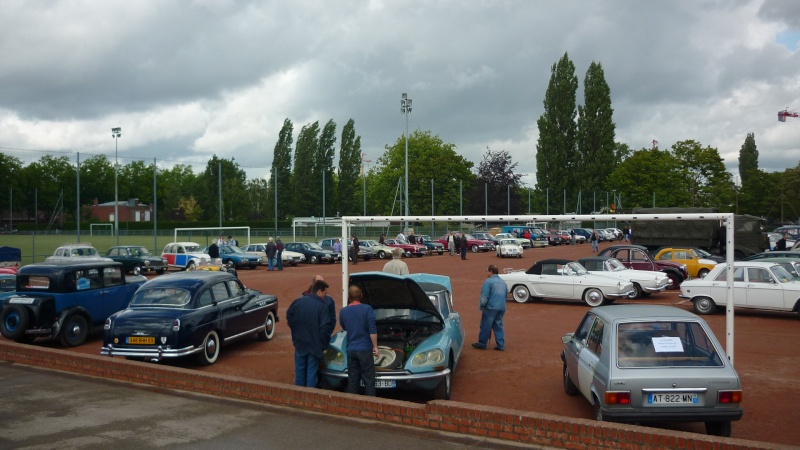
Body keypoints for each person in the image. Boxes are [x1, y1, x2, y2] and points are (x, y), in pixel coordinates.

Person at [286, 279, 335, 388]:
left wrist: (296, 330)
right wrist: (323, 345)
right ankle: (310, 398)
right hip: (315, 345)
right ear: (319, 292)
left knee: (299, 370)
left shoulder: (298, 302)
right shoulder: (322, 307)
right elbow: (325, 329)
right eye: (325, 293)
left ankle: (299, 395)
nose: (325, 296)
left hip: (300, 342)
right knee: (312, 373)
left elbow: (289, 317)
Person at [338, 285, 378, 396]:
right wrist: (375, 347)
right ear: (361, 296)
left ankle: (352, 404)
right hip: (365, 349)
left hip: (351, 349)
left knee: (353, 380)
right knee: (369, 380)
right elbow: (372, 331)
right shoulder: (367, 309)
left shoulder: (343, 311)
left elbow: (344, 326)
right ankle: (370, 404)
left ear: (348, 297)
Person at [472, 265, 506, 351]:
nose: (486, 273)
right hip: (501, 307)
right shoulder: (503, 282)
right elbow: (505, 295)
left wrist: (482, 306)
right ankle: (501, 345)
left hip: (491, 307)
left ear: (491, 272)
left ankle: (482, 343)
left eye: (487, 271)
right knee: (498, 325)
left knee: (485, 326)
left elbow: (484, 297)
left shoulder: (488, 282)